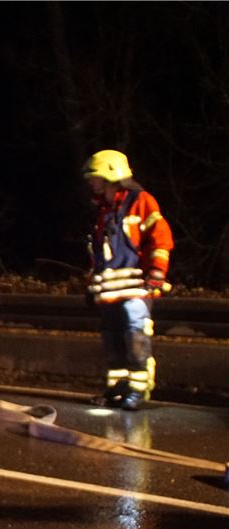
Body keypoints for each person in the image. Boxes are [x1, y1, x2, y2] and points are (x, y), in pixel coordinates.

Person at [82, 149, 174, 411]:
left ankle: (137, 388)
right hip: (110, 290)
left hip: (136, 287)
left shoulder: (141, 202)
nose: (91, 183)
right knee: (112, 338)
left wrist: (157, 273)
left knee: (135, 336)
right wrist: (92, 284)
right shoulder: (103, 211)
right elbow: (99, 253)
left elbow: (161, 239)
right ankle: (118, 386)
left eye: (94, 177)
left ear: (110, 175)